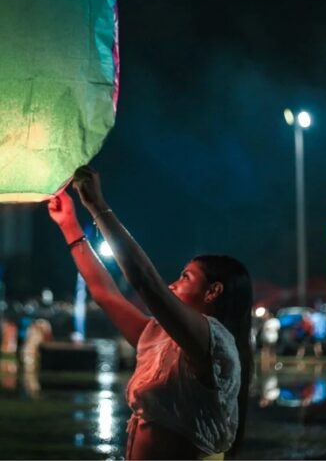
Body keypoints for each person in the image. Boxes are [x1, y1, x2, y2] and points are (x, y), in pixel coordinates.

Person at [48, 166, 253, 460]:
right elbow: (106, 295)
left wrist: (97, 206)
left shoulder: (214, 343)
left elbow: (146, 282)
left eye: (185, 278)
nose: (172, 284)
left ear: (213, 292)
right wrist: (69, 224)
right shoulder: (162, 340)